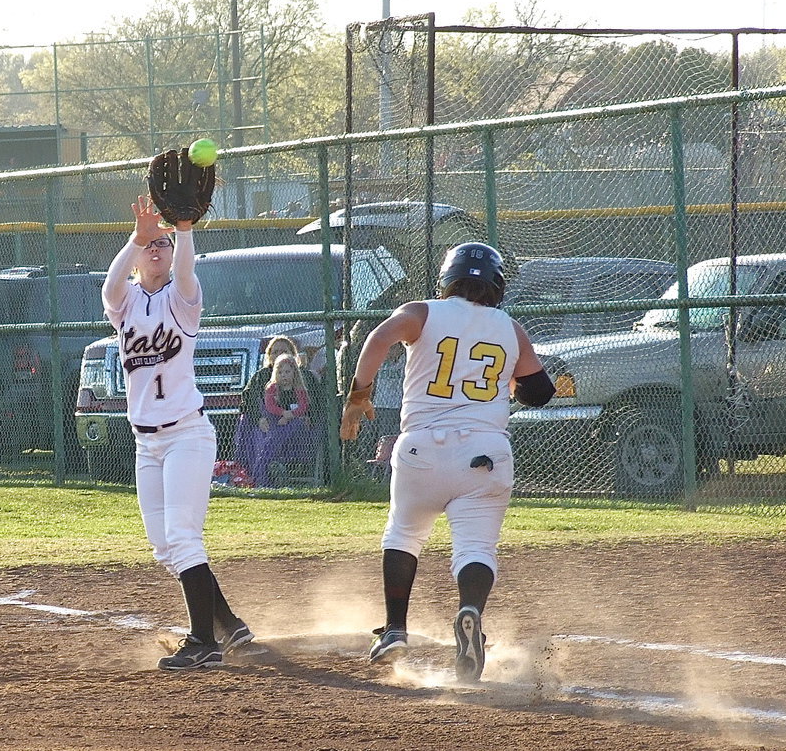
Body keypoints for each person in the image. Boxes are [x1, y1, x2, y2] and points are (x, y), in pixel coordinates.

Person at [340, 242, 555, 683]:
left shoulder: (422, 311)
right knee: (476, 549)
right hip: (486, 451)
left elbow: (378, 338)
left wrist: (358, 396)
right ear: (496, 285)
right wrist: (513, 384)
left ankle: (396, 628)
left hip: (422, 447)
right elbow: (539, 391)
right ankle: (470, 610)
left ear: (447, 278)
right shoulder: (509, 328)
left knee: (404, 532)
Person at [101, 191, 254, 670]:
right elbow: (109, 287)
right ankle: (230, 625)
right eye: (152, 245)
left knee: (184, 537)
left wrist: (182, 229)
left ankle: (203, 642)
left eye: (163, 245)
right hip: (146, 441)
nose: (156, 249)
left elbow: (186, 273)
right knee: (165, 548)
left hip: (187, 433)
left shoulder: (182, 300)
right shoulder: (123, 304)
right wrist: (136, 236)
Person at [233, 335, 299, 477]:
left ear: (292, 354)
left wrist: (294, 415)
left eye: (283, 351)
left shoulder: (302, 376)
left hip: (291, 423)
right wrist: (259, 418)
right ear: (269, 356)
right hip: (264, 422)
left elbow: (310, 403)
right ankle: (243, 472)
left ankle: (261, 475)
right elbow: (247, 400)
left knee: (272, 437)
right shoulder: (261, 376)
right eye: (275, 352)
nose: (279, 355)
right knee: (246, 422)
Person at [251, 353, 315, 487]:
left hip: (296, 426)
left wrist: (290, 415)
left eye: (287, 372)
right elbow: (270, 406)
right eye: (280, 372)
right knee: (271, 438)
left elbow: (303, 406)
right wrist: (283, 413)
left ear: (294, 373)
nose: (284, 375)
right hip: (277, 423)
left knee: (298, 423)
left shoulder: (299, 389)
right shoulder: (272, 389)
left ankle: (270, 456)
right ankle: (262, 479)